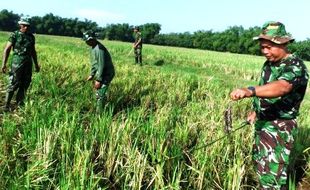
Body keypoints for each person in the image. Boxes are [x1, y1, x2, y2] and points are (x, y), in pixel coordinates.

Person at [230, 21, 308, 189]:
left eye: (269, 47)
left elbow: (282, 87)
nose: (265, 51)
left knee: (273, 177)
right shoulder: (269, 64)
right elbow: (265, 91)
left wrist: (250, 90)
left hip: (279, 127)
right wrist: (255, 111)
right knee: (261, 167)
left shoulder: (295, 66)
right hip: (264, 123)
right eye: (262, 47)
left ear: (284, 43)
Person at [1, 17, 40, 111]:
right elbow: (7, 49)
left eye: (27, 26)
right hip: (17, 62)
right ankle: (6, 105)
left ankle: (19, 104)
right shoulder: (15, 35)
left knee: (25, 83)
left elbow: (33, 51)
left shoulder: (31, 36)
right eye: (24, 25)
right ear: (20, 25)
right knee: (13, 83)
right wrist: (3, 64)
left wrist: (36, 64)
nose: (26, 27)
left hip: (28, 63)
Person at [82, 30, 115, 113]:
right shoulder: (93, 48)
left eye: (88, 41)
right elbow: (94, 63)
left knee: (100, 94)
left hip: (107, 74)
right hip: (101, 72)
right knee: (99, 93)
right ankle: (100, 107)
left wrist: (98, 80)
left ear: (92, 39)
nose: (86, 43)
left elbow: (101, 65)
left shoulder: (100, 49)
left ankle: (99, 113)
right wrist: (92, 74)